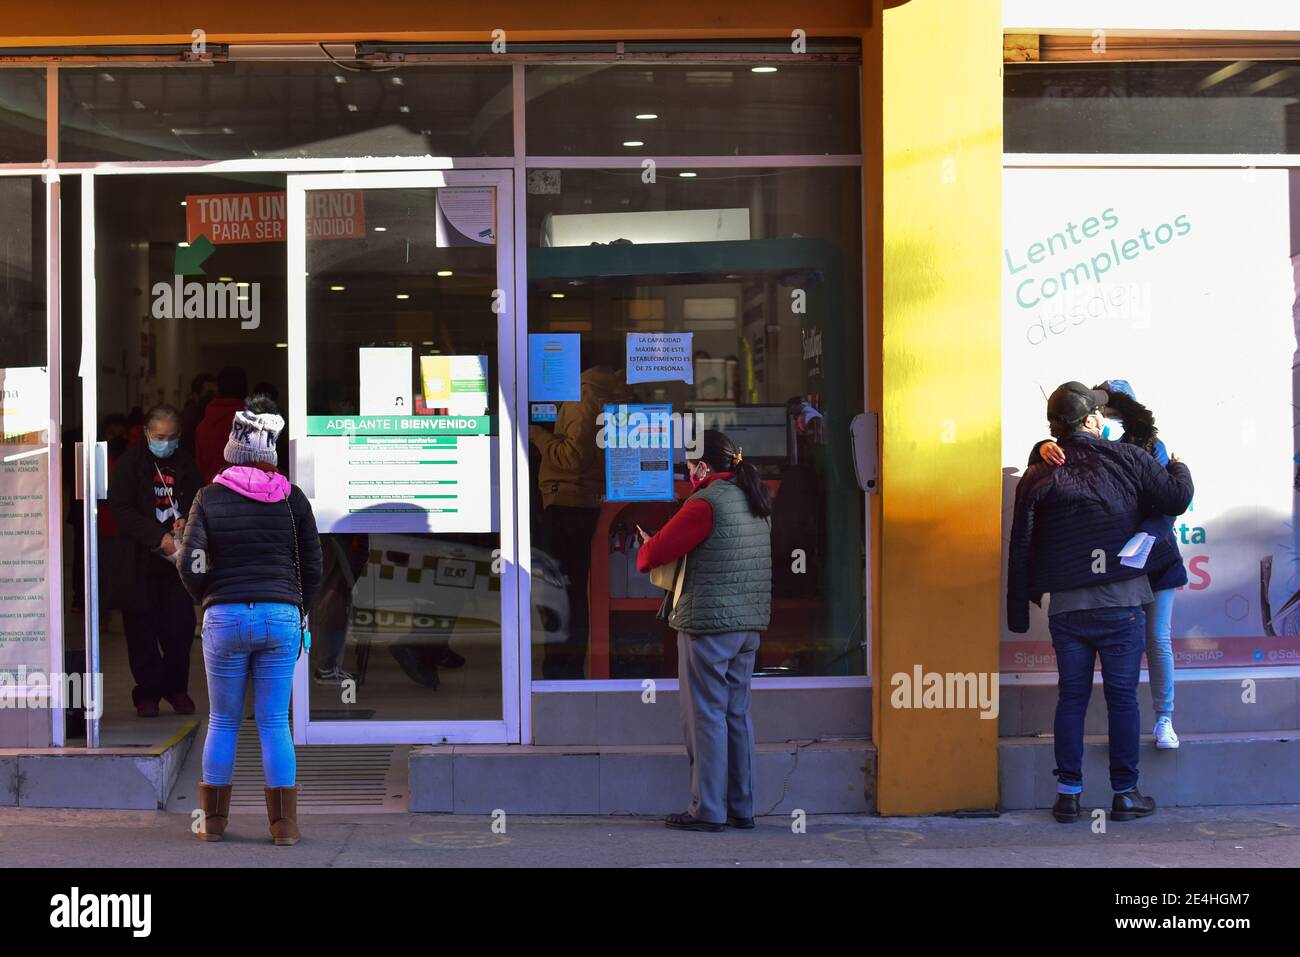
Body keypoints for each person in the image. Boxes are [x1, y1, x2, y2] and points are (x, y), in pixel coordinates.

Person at [1007, 382, 1193, 825]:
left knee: (1070, 699)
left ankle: (1067, 796)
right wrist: (1180, 467)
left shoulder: (1039, 474)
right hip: (1121, 605)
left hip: (1067, 609)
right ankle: (1125, 795)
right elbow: (1177, 498)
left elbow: (1020, 544)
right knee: (1122, 699)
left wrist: (1018, 610)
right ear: (1091, 420)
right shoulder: (1128, 459)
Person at [177, 394, 322, 845]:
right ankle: (284, 827)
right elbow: (314, 566)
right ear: (270, 453)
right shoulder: (292, 499)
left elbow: (190, 562)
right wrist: (299, 607)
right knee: (274, 721)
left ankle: (213, 824)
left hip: (225, 616)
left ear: (233, 450)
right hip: (281, 616)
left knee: (223, 721)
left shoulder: (208, 497)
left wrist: (208, 599)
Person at [1032, 380, 1185, 750]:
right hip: (1116, 573)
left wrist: (1145, 536)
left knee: (1157, 637)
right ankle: (1115, 760)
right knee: (1110, 673)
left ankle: (1164, 719)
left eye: (1114, 409)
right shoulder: (1091, 449)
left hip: (1153, 560)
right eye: (1102, 410)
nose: (1106, 417)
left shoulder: (1150, 447)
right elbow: (1056, 459)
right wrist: (1041, 447)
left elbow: (1170, 502)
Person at [636, 430, 772, 832]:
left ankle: (708, 810)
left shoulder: (705, 503)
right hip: (748, 626)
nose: (688, 473)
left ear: (703, 467)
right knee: (736, 715)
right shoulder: (754, 498)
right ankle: (742, 807)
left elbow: (652, 555)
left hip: (709, 626)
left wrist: (647, 543)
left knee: (705, 717)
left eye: (689, 466)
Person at [529, 352, 633, 678]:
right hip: (581, 503)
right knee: (571, 593)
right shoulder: (603, 391)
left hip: (568, 504)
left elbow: (571, 457)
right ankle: (566, 670)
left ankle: (561, 673)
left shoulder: (584, 395)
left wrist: (537, 435)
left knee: (561, 594)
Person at [107, 404, 202, 718]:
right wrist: (156, 536)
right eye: (160, 437)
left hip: (175, 565)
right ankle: (147, 693)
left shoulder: (186, 464)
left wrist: (185, 521)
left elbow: (198, 502)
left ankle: (176, 689)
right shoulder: (129, 465)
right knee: (141, 632)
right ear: (147, 433)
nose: (166, 442)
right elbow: (122, 510)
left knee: (180, 629)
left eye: (172, 437)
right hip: (138, 561)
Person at [194, 366, 247, 483]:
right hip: (244, 489)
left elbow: (199, 468)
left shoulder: (203, 426)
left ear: (218, 390)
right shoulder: (253, 426)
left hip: (210, 488)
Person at [180, 372, 216, 454]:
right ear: (195, 396)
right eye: (209, 394)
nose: (214, 398)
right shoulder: (188, 420)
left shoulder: (212, 417)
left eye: (216, 394)